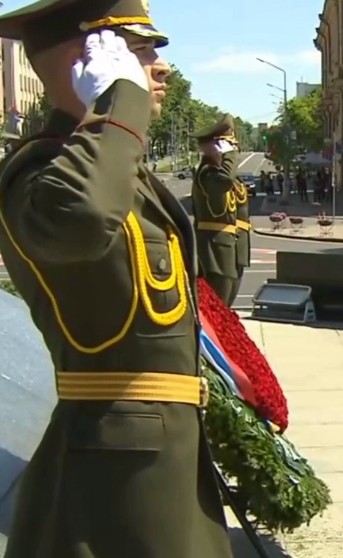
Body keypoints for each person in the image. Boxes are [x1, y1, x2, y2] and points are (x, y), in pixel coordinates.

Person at [0, 1, 234, 556]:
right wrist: (117, 100)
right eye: (138, 49)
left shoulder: (118, 167)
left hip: (160, 459)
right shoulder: (39, 171)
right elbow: (79, 220)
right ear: (86, 60)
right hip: (114, 480)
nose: (161, 66)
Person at [191, 114, 239, 305]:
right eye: (223, 144)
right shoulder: (208, 172)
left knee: (224, 307)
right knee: (217, 307)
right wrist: (231, 154)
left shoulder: (214, 170)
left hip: (223, 245)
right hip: (213, 249)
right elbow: (225, 181)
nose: (227, 149)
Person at [230, 170, 251, 306]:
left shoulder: (238, 183)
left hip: (240, 239)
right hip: (224, 241)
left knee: (234, 285)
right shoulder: (213, 178)